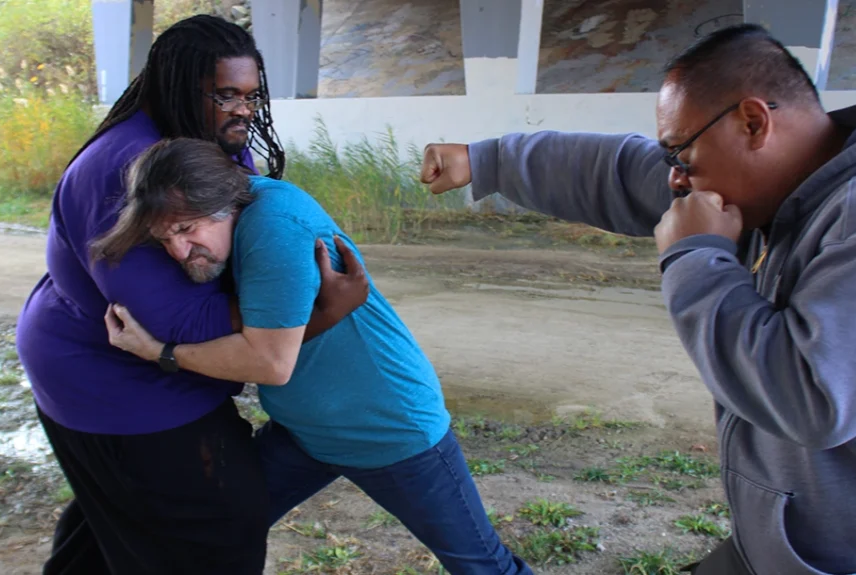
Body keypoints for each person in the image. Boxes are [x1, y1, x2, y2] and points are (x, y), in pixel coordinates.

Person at [418, 23, 856, 575]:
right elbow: (625, 171)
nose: (674, 179)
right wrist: (489, 161)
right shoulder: (790, 189)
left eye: (683, 154)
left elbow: (812, 397)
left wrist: (697, 256)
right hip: (787, 549)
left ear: (753, 122)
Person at [15, 15, 368, 575]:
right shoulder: (124, 167)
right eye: (225, 95)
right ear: (179, 86)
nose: (244, 110)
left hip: (145, 375)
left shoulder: (209, 141)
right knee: (217, 526)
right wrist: (315, 311)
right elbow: (175, 320)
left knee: (118, 526)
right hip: (112, 376)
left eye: (252, 95)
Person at [94, 137, 534, 575]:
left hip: (388, 428)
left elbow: (270, 364)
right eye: (164, 238)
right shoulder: (236, 220)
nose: (179, 253)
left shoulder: (273, 226)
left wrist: (160, 353)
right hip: (307, 433)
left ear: (227, 200)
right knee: (216, 527)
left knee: (483, 567)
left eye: (187, 230)